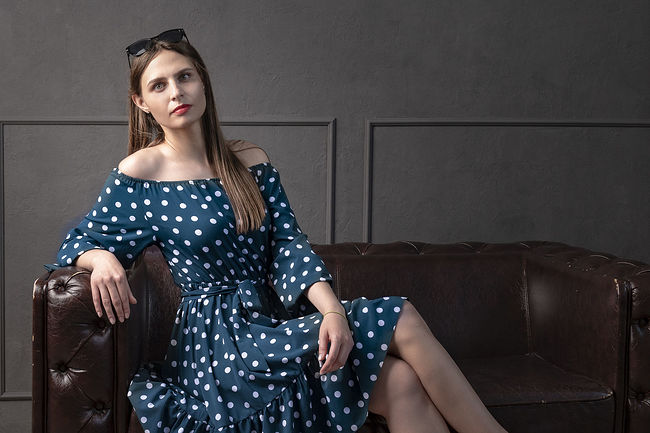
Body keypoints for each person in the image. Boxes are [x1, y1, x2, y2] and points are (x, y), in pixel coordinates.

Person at [46, 28, 508, 433]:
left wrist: (332, 311)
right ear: (141, 102)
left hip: (275, 322)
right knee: (400, 316)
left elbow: (289, 246)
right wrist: (100, 258)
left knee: (401, 380)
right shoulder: (140, 172)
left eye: (185, 76)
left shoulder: (250, 159)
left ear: (203, 80)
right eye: (158, 85)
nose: (176, 92)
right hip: (219, 345)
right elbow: (77, 242)